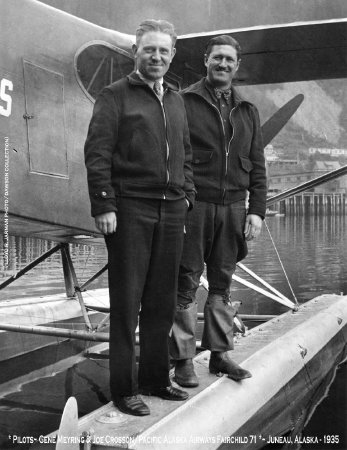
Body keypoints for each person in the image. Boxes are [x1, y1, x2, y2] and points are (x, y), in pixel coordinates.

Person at [84, 19, 196, 416]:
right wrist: (104, 204)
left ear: (172, 56)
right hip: (130, 208)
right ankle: (124, 389)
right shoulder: (114, 96)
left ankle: (154, 379)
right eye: (150, 49)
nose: (157, 57)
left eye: (164, 51)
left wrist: (188, 199)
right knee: (127, 304)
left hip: (171, 210)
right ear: (136, 51)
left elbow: (185, 156)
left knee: (161, 304)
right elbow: (97, 153)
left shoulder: (177, 101)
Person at [170, 35, 267, 387]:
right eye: (217, 59)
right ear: (206, 62)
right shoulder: (183, 102)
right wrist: (183, 202)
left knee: (222, 284)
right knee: (185, 282)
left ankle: (219, 355)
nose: (223, 65)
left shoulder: (248, 111)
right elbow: (175, 158)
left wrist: (256, 210)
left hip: (233, 210)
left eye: (229, 59)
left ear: (236, 66)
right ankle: (182, 359)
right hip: (196, 206)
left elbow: (257, 165)